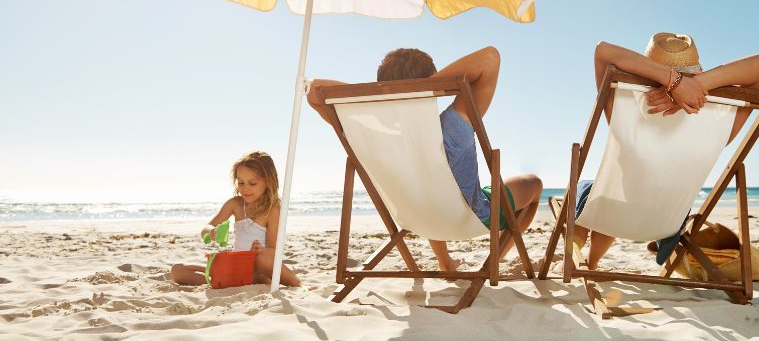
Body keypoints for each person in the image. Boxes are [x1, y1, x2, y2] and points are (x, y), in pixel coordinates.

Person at [307, 46, 543, 272]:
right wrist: (431, 88)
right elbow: (489, 58)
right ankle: (493, 262)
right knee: (533, 184)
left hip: (416, 218)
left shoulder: (369, 134)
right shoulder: (454, 125)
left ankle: (445, 262)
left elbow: (313, 90)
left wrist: (381, 97)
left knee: (424, 188)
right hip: (473, 217)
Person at [574, 33, 759, 269]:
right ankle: (590, 261)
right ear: (698, 71)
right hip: (666, 224)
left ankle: (585, 261)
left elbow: (603, 52)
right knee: (615, 196)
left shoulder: (625, 108)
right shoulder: (719, 124)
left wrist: (674, 81)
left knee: (594, 190)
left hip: (612, 215)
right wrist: (696, 84)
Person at [170, 151, 301, 287]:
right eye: (241, 183)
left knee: (264, 259)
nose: (245, 189)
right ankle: (226, 281)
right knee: (177, 270)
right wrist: (212, 231)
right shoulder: (235, 204)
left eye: (252, 183)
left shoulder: (272, 209)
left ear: (268, 181)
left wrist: (260, 250)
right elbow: (204, 230)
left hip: (258, 269)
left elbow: (275, 251)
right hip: (236, 268)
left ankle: (297, 284)